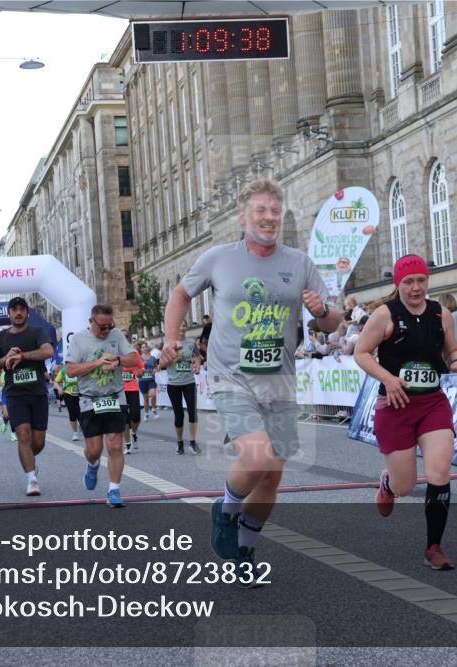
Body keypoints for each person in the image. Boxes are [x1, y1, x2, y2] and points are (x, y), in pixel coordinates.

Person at [161, 179, 342, 587]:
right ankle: (224, 510)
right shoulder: (218, 258)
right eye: (260, 211)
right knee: (257, 457)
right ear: (244, 218)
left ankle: (243, 550)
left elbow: (333, 324)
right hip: (230, 375)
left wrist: (322, 309)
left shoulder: (299, 263)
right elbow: (180, 295)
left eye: (275, 211)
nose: (269, 218)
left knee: (272, 476)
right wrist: (173, 338)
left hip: (278, 380)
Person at [354, 255, 457, 570]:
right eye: (409, 281)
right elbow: (361, 353)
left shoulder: (440, 313)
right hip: (396, 406)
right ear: (398, 284)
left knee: (439, 472)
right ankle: (389, 484)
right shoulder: (384, 315)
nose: (416, 287)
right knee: (406, 486)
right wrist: (388, 379)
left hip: (432, 402)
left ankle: (434, 547)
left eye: (421, 280)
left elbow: (451, 350)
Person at [65, 304, 139, 508]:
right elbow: (70, 370)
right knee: (95, 450)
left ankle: (114, 490)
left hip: (115, 396)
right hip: (90, 398)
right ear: (91, 322)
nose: (107, 331)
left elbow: (134, 358)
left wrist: (117, 359)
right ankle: (92, 464)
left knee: (115, 445)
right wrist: (97, 363)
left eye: (110, 326)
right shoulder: (79, 339)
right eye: (102, 327)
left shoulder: (116, 336)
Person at [0, 296, 55, 497]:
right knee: (23, 434)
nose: (18, 313)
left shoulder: (37, 332)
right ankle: (31, 479)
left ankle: (30, 463)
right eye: (14, 309)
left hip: (37, 393)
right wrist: (6, 357)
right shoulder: (0, 338)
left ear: (27, 313)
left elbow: (48, 351)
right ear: (9, 313)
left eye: (22, 309)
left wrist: (23, 356)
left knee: (38, 442)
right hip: (15, 394)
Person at [159, 325, 202, 455]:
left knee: (192, 412)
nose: (182, 329)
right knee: (179, 415)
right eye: (180, 326)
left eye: (184, 327)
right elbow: (160, 365)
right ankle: (180, 443)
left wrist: (197, 366)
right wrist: (173, 359)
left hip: (189, 382)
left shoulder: (191, 342)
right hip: (174, 384)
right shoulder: (168, 344)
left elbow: (197, 356)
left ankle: (193, 443)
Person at [120, 345, 143, 453]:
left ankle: (133, 432)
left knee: (136, 417)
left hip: (133, 388)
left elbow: (142, 367)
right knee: (124, 418)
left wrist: (140, 372)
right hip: (120, 390)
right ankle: (127, 445)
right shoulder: (115, 353)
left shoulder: (133, 353)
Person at [54, 361, 81, 442]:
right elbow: (56, 381)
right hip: (69, 394)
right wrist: (59, 388)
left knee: (82, 413)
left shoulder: (81, 368)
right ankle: (75, 433)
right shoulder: (64, 370)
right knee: (73, 414)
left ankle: (85, 429)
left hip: (81, 394)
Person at [138, 343, 160, 420]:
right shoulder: (139, 359)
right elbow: (136, 370)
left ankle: (153, 408)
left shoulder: (153, 358)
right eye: (143, 347)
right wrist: (140, 370)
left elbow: (157, 367)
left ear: (148, 348)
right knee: (146, 398)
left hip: (151, 379)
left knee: (153, 394)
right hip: (142, 380)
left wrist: (155, 370)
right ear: (141, 349)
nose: (144, 348)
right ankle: (146, 413)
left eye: (146, 347)